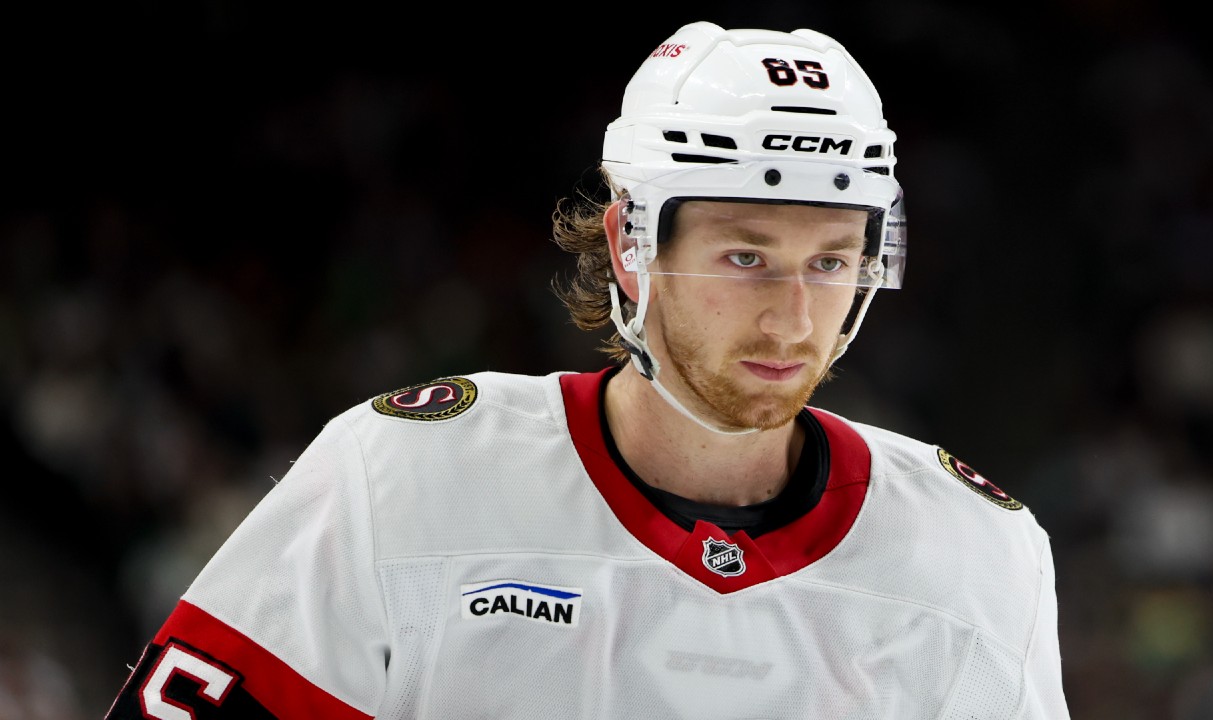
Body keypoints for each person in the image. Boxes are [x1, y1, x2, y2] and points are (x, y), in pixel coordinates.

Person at [103, 20, 1070, 719]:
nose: (792, 317)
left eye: (828, 263)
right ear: (628, 247)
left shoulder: (979, 553)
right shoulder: (399, 477)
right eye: (745, 257)